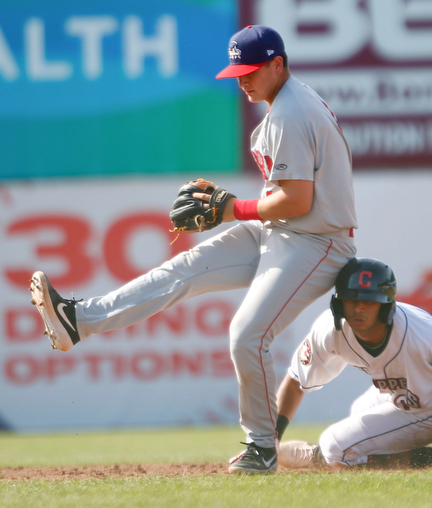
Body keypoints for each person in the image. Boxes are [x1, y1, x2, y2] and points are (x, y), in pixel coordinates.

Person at [29, 25, 357, 474]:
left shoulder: (290, 113)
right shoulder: (285, 104)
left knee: (247, 334)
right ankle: (77, 320)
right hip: (284, 231)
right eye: (237, 72)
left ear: (278, 64)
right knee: (183, 269)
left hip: (318, 242)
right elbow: (288, 200)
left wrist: (231, 208)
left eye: (251, 71)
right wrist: (234, 208)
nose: (243, 80)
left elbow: (299, 201)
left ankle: (262, 447)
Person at [275, 257, 432, 469]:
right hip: (396, 394)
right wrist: (268, 442)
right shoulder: (330, 330)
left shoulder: (423, 335)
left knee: (335, 447)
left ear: (386, 306)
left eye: (369, 301)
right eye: (351, 299)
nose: (358, 308)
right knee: (358, 414)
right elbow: (296, 381)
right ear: (339, 303)